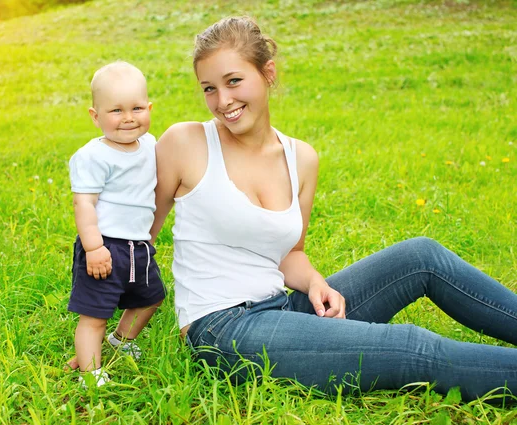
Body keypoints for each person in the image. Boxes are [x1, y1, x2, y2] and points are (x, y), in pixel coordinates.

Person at [148, 17, 517, 402]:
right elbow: (136, 239)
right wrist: (106, 327)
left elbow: (291, 254)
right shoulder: (186, 143)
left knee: (421, 256)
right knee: (411, 347)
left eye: (234, 81)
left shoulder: (300, 158)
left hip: (283, 309)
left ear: (267, 73)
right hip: (223, 330)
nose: (223, 101)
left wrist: (314, 283)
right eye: (209, 88)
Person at [67, 61, 165, 387]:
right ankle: (90, 373)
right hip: (105, 245)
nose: (128, 118)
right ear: (95, 116)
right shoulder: (93, 157)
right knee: (94, 316)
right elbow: (84, 204)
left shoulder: (151, 145)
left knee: (151, 298)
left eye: (137, 108)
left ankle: (120, 342)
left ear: (149, 108)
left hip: (139, 246)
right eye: (116, 110)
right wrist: (93, 247)